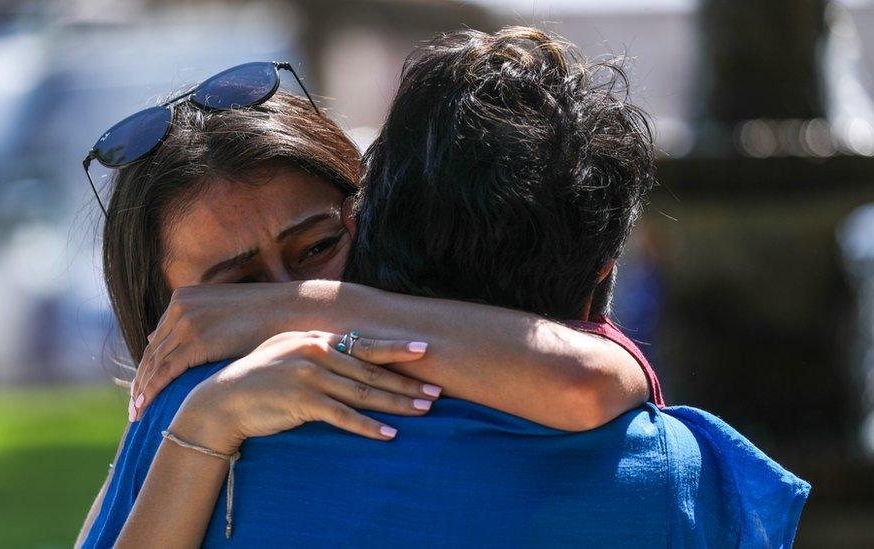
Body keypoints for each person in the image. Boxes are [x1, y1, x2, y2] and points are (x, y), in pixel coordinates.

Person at [84, 28, 808, 547]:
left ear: (366, 214)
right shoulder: (677, 468)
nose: (277, 313)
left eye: (317, 249)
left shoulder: (200, 420)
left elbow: (589, 376)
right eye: (236, 289)